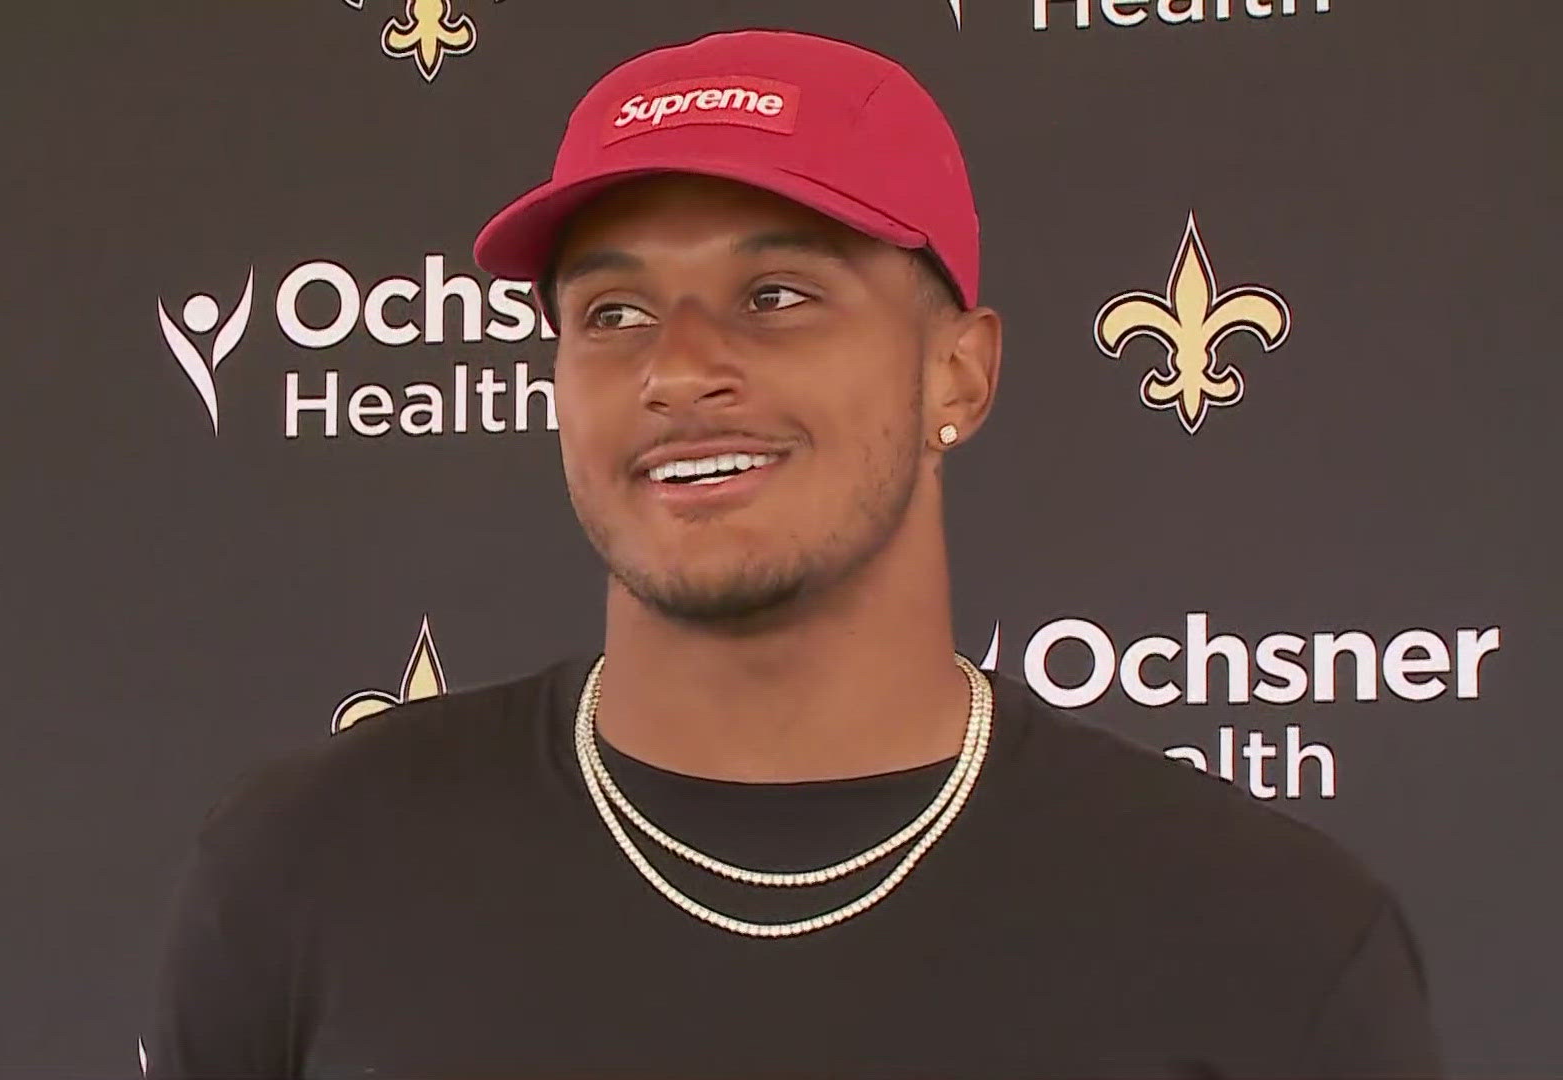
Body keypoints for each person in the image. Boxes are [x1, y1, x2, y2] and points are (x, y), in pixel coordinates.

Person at [147, 27, 1443, 1079]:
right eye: (613, 311)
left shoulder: (1268, 937)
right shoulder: (307, 872)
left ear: (961, 370)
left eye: (778, 296)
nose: (679, 366)